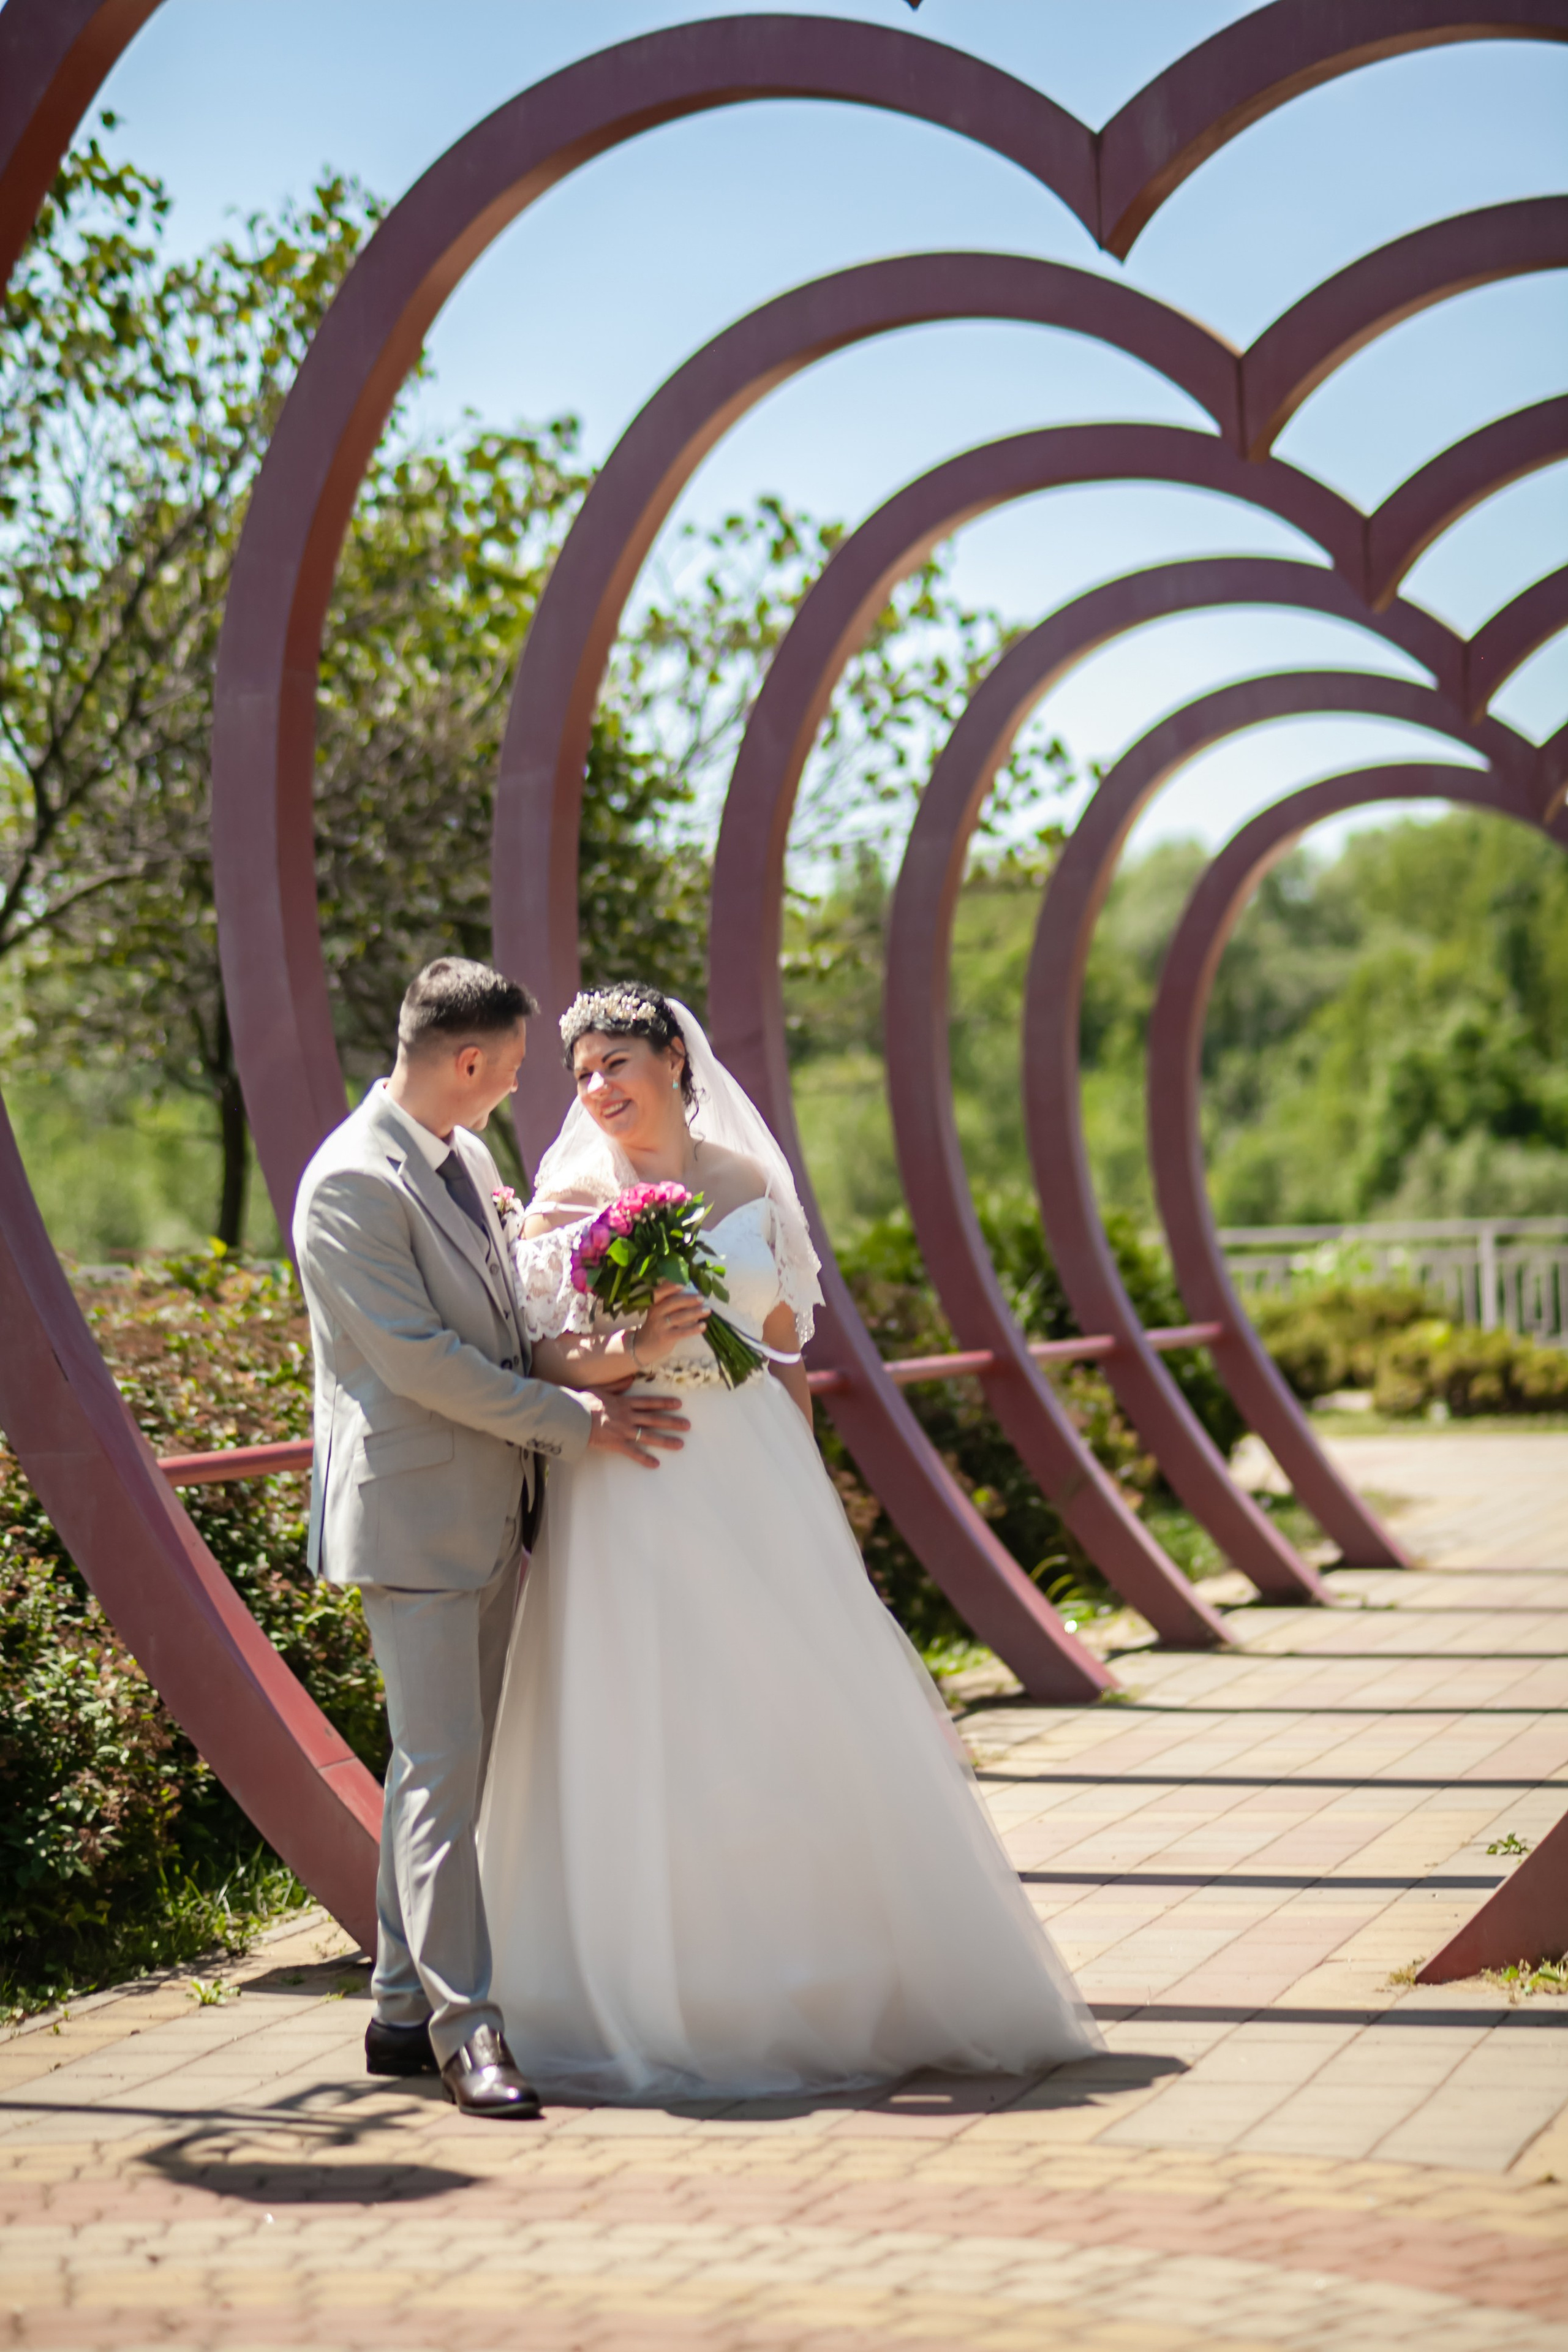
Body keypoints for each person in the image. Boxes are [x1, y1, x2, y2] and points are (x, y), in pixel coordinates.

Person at [477, 982, 1102, 2101]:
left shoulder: (754, 1185)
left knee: (780, 1709)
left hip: (753, 1474)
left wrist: (809, 1498)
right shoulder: (571, 1197)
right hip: (634, 1471)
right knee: (649, 1718)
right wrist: (629, 1346)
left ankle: (822, 1977)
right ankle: (660, 1988)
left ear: (674, 1058)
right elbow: (547, 1364)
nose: (597, 1089)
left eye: (617, 1063)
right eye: (580, 1075)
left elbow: (780, 1351)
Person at [292, 959, 688, 2118]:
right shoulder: (349, 1186)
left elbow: (510, 1320)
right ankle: (471, 2036)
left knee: (439, 1769)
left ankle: (398, 2008)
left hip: (491, 1504)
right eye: (516, 1070)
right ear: (469, 1062)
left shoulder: (463, 1158)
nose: (523, 1090)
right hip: (415, 1517)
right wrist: (579, 1422)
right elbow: (423, 1364)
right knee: (437, 1776)